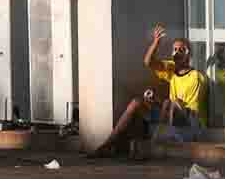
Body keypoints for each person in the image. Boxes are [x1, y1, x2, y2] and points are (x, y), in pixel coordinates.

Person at [88, 23, 208, 157]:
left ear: (189, 54)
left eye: (182, 50)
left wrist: (171, 105)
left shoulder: (197, 76)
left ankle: (153, 147)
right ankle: (108, 144)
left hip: (189, 118)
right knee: (137, 102)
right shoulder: (172, 69)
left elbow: (191, 111)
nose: (177, 53)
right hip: (170, 111)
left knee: (169, 103)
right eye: (175, 49)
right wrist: (156, 42)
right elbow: (148, 62)